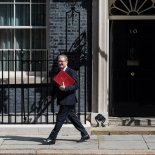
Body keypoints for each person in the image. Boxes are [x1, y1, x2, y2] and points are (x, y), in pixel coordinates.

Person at [44, 54, 90, 145]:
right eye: (59, 61)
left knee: (59, 119)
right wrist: (51, 95)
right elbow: (54, 87)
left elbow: (76, 85)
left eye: (62, 61)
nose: (60, 63)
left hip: (68, 99)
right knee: (73, 118)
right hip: (62, 100)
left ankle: (52, 138)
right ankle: (85, 134)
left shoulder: (71, 72)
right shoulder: (58, 72)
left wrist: (66, 88)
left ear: (66, 62)